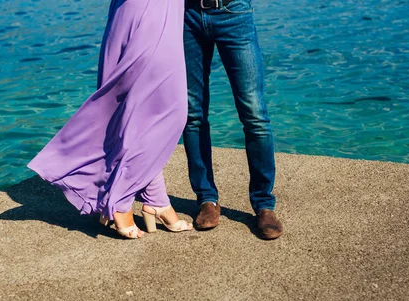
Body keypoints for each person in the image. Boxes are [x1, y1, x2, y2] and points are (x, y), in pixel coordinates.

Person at [28, 0, 192, 239]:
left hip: (165, 11)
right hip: (144, 13)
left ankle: (156, 199)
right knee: (166, 112)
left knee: (141, 114)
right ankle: (120, 202)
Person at [183, 0, 284, 239]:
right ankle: (206, 199)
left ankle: (263, 204)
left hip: (233, 13)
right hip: (185, 15)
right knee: (192, 114)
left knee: (255, 115)